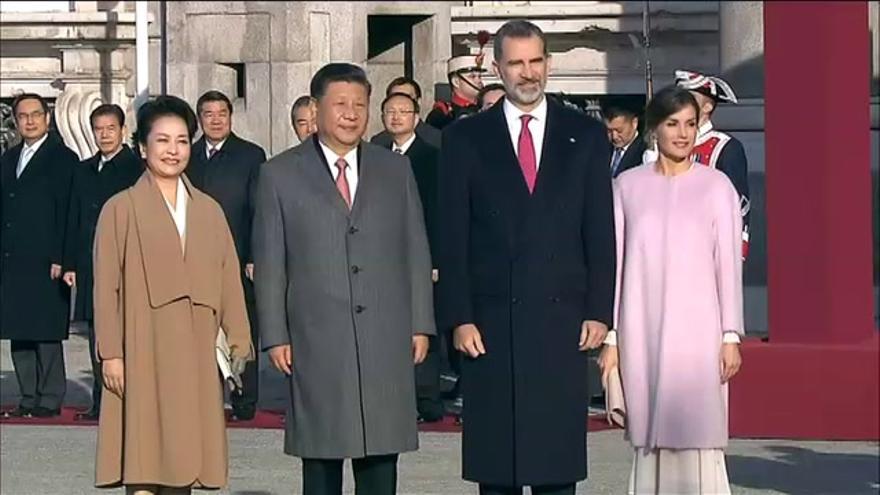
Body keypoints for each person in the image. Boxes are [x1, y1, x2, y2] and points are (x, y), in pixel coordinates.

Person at [437, 20, 616, 495]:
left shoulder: (586, 135)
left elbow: (600, 229)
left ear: (549, 64)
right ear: (498, 68)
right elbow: (452, 239)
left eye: (536, 61)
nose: (528, 72)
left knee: (555, 465)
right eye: (516, 63)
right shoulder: (464, 139)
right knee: (498, 468)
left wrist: (600, 310)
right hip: (490, 324)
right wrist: (460, 317)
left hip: (562, 319)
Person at [253, 63, 435, 495]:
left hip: (384, 333)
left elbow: (415, 247)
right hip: (317, 337)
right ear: (316, 109)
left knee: (379, 456)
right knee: (321, 455)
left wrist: (420, 322)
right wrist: (275, 335)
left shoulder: (394, 170)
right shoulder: (279, 174)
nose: (351, 114)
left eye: (359, 104)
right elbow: (271, 260)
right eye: (340, 104)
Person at [92, 95, 253, 494]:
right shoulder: (120, 209)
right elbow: (106, 286)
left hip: (196, 349)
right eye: (162, 141)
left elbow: (228, 278)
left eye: (182, 141)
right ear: (143, 148)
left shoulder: (208, 210)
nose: (173, 151)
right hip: (142, 347)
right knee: (144, 461)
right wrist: (111, 353)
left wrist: (238, 338)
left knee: (185, 459)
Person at [598, 86, 744, 494]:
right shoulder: (627, 186)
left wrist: (731, 334)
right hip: (641, 326)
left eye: (690, 124)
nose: (682, 133)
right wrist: (611, 336)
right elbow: (617, 265)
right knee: (650, 431)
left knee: (698, 428)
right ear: (653, 129)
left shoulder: (717, 187)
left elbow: (728, 266)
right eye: (672, 124)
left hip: (701, 330)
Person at [187, 90, 266, 421]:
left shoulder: (250, 155)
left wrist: (253, 255)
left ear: (231, 117)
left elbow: (258, 210)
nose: (215, 119)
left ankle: (244, 400)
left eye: (221, 113)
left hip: (238, 257)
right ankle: (206, 400)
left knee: (241, 328)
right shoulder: (188, 156)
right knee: (200, 331)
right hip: (195, 260)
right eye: (208, 114)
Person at [62, 103, 144, 421]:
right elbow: (74, 218)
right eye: (99, 129)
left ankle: (128, 399)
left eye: (111, 128)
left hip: (127, 261)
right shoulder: (82, 170)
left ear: (123, 131)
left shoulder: (136, 168)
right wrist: (69, 262)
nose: (105, 135)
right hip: (89, 262)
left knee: (127, 331)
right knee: (98, 332)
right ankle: (100, 400)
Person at [0, 92, 78, 419]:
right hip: (13, 258)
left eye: (35, 114)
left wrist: (64, 257)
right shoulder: (7, 159)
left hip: (48, 260)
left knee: (46, 331)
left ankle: (50, 397)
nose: (29, 121)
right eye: (23, 116)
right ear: (15, 121)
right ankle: (28, 395)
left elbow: (68, 211)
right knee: (19, 331)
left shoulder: (63, 158)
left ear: (47, 118)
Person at [379, 91, 444, 423]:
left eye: (403, 111)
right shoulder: (374, 155)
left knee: (423, 324)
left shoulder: (432, 157)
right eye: (390, 111)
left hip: (423, 254)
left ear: (416, 117)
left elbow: (436, 211)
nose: (396, 117)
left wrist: (434, 260)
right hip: (385, 256)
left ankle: (427, 398)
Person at [675, 69, 751, 258]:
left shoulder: (725, 147)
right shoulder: (662, 146)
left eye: (688, 98)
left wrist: (734, 254)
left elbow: (738, 205)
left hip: (707, 250)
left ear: (707, 106)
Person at [371, 76, 441, 149]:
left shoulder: (437, 139)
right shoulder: (378, 142)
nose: (396, 116)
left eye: (407, 97)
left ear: (418, 102)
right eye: (395, 97)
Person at [426, 55, 485, 130]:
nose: (479, 81)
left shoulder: (485, 107)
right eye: (472, 76)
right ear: (456, 82)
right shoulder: (442, 114)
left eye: (479, 76)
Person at [600, 99, 647, 178]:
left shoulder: (644, 151)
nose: (614, 136)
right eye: (609, 131)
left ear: (634, 123)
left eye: (619, 131)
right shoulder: (602, 148)